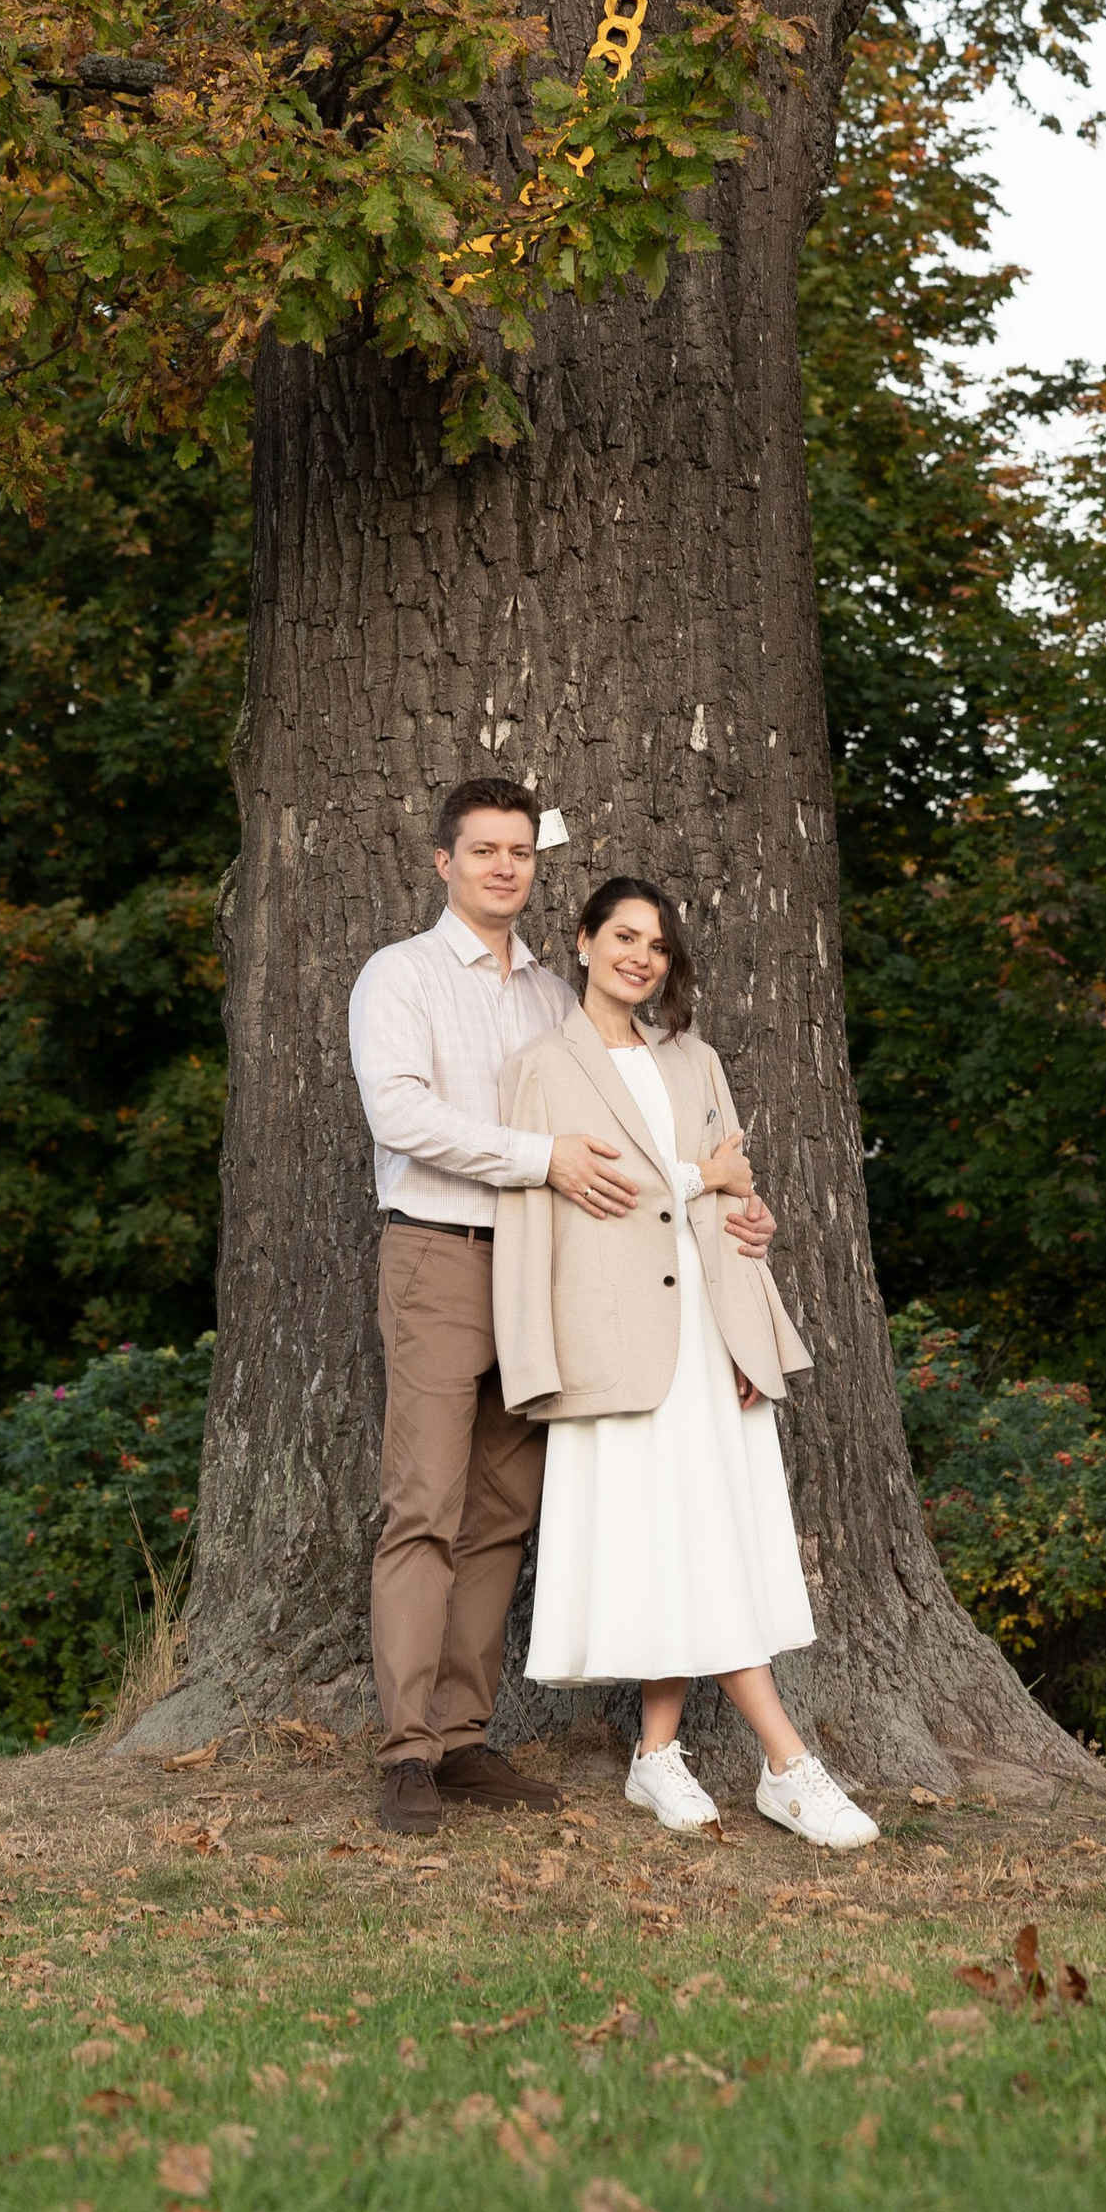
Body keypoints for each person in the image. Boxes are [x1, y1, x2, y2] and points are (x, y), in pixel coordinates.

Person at [346, 777, 777, 1838]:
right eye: (483, 850)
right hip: (445, 1259)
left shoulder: (556, 997)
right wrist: (539, 1158)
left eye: (520, 853)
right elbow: (400, 1112)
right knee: (423, 1506)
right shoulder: (395, 976)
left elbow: (635, 1135)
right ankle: (405, 1751)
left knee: (502, 1512)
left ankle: (460, 1737)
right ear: (443, 862)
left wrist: (729, 1207)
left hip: (557, 1277)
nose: (503, 867)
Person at [491, 875, 879, 1850]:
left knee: (700, 1535)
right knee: (677, 1540)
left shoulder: (694, 1059)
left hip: (708, 1334)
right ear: (580, 942)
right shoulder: (541, 1067)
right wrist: (705, 1175)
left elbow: (728, 1211)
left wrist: (750, 1302)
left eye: (657, 945)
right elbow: (568, 1199)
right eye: (622, 936)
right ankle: (788, 1765)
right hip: (610, 1343)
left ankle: (656, 1755)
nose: (640, 957)